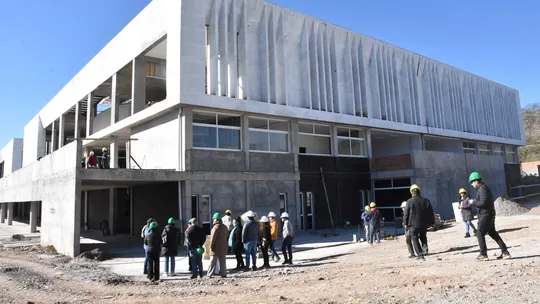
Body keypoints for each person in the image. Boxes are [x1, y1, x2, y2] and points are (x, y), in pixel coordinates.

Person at [468, 172, 511, 261]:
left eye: (472, 182)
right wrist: (476, 201)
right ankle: (505, 252)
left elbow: (483, 203)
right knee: (492, 232)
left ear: (476, 181)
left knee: (479, 233)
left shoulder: (482, 189)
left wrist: (474, 202)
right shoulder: (484, 188)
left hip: (485, 215)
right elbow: (484, 201)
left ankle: (483, 254)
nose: (471, 184)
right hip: (489, 214)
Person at [404, 184, 435, 260]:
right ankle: (425, 250)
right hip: (423, 223)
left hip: (413, 224)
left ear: (412, 192)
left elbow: (406, 214)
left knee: (414, 239)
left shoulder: (409, 201)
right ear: (419, 191)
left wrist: (405, 223)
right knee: (423, 237)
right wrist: (432, 222)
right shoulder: (425, 200)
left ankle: (420, 255)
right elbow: (430, 212)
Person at [208, 213, 229, 278]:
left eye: (213, 219)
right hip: (223, 247)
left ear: (216, 219)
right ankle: (224, 273)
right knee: (222, 261)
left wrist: (211, 247)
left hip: (215, 247)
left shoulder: (215, 227)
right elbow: (227, 236)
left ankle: (210, 274)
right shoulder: (225, 227)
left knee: (212, 261)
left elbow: (213, 238)